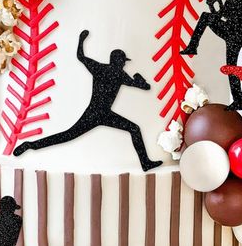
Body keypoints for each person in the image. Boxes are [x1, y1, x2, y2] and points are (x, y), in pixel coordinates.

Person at [14, 30, 163, 172]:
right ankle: (145, 163)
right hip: (102, 114)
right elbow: (145, 87)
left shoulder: (99, 68)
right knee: (134, 129)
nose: (124, 64)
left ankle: (31, 145)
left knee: (67, 135)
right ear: (119, 62)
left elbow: (80, 56)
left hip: (94, 113)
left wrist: (81, 39)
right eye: (123, 61)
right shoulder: (121, 74)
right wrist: (139, 79)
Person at [180, 0, 242, 110]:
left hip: (235, 36)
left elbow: (226, 19)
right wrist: (213, 3)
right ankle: (192, 47)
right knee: (206, 17)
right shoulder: (230, 1)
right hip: (230, 32)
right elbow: (219, 15)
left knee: (231, 67)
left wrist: (216, 4)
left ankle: (239, 101)